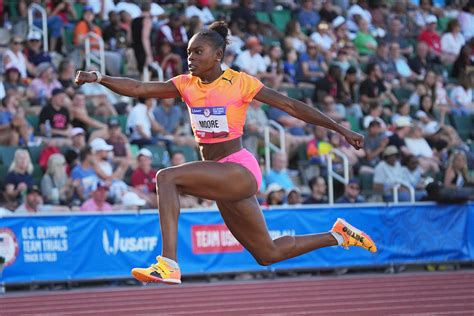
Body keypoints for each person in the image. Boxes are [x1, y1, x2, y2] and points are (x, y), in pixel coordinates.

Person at [75, 21, 376, 285]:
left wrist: (340, 129)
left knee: (166, 178)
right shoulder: (185, 85)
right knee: (266, 253)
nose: (190, 58)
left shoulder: (239, 82)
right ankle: (339, 235)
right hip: (218, 175)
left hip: (239, 170)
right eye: (189, 52)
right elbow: (139, 88)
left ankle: (168, 263)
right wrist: (99, 78)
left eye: (198, 52)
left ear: (217, 55)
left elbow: (292, 106)